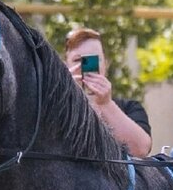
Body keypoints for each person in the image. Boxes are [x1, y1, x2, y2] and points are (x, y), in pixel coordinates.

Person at [64, 28, 152, 157]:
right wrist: (67, 94)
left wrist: (105, 104)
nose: (85, 66)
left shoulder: (129, 107)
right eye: (78, 60)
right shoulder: (52, 108)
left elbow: (140, 150)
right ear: (66, 66)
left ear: (105, 64)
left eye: (92, 60)